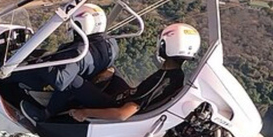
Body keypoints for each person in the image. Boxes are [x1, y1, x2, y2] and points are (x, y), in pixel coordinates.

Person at [68, 23, 201, 122]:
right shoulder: (175, 75)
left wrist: (84, 112)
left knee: (73, 80)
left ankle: (49, 112)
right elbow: (139, 94)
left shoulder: (161, 82)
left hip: (112, 105)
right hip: (126, 95)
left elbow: (122, 114)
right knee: (110, 68)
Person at [17, 4, 119, 123]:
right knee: (47, 57)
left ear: (82, 25)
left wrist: (40, 63)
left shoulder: (78, 52)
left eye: (74, 24)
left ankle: (46, 114)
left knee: (68, 80)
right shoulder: (111, 43)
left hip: (83, 95)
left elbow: (60, 82)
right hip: (93, 87)